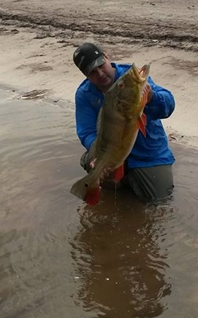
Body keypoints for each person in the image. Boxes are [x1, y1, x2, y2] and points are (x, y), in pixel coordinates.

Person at [73, 42, 175, 202]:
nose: (100, 73)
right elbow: (86, 132)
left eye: (101, 65)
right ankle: (115, 183)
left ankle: (130, 180)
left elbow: (168, 105)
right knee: (91, 163)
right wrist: (96, 158)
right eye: (92, 72)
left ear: (106, 56)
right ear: (85, 75)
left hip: (148, 153)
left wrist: (152, 97)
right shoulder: (84, 94)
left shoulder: (129, 80)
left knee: (160, 200)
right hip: (110, 150)